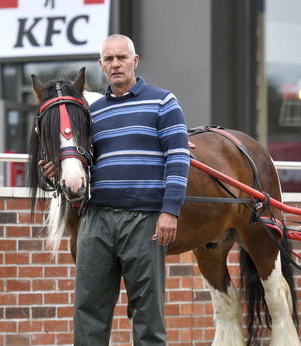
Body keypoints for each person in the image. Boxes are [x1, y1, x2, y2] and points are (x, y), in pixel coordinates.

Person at [50, 34, 190, 345]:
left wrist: (170, 211)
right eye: (108, 59)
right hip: (96, 219)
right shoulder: (92, 113)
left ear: (135, 62)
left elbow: (179, 157)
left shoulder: (163, 102)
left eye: (121, 58)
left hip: (144, 221)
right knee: (89, 309)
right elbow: (81, 164)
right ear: (101, 65)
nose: (115, 65)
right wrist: (54, 172)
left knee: (147, 314)